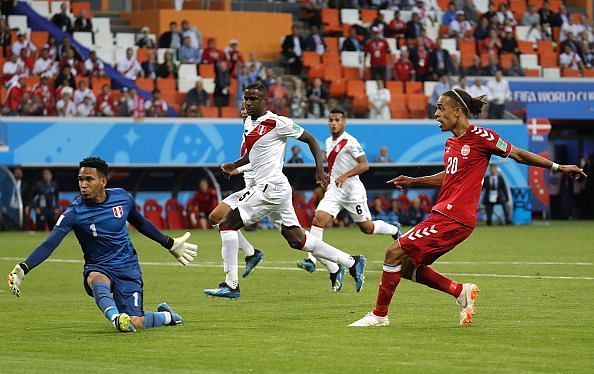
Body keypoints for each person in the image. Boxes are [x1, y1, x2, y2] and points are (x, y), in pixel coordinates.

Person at [348, 88, 587, 327]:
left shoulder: (483, 137)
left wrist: (558, 167)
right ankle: (460, 291)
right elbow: (450, 176)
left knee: (393, 252)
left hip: (454, 217)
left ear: (457, 110)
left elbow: (518, 154)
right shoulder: (451, 143)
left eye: (441, 108)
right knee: (407, 266)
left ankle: (379, 316)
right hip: (444, 213)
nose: (436, 114)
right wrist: (414, 181)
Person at [203, 82, 366, 298]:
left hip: (270, 186)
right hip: (274, 189)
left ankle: (231, 285)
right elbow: (253, 154)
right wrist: (234, 165)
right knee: (297, 240)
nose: (248, 103)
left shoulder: (277, 122)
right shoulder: (250, 124)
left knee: (226, 224)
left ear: (264, 101)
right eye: (246, 98)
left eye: (253, 99)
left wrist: (320, 170)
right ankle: (352, 261)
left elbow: (311, 140)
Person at [7, 157, 197, 332]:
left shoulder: (122, 198)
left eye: (89, 179)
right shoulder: (74, 212)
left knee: (135, 322)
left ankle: (166, 316)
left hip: (127, 268)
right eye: (80, 179)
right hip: (98, 266)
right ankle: (115, 318)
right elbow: (49, 244)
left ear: (103, 182)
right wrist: (24, 268)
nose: (83, 184)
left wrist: (170, 244)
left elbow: (141, 224)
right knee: (97, 278)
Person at [296, 109, 400, 290]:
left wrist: (345, 176)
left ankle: (393, 228)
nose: (333, 123)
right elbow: (336, 166)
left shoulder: (350, 142)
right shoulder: (328, 141)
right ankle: (311, 260)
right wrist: (327, 176)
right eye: (330, 120)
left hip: (353, 192)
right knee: (318, 219)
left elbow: (364, 165)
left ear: (344, 122)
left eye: (337, 120)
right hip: (335, 190)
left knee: (367, 228)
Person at [207, 102, 267, 279]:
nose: (244, 111)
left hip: (265, 190)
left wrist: (236, 169)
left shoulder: (262, 131)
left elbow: (260, 160)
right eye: (241, 108)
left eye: (247, 108)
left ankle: (337, 263)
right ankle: (251, 253)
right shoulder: (247, 131)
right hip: (249, 189)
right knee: (215, 217)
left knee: (297, 238)